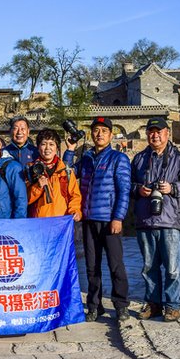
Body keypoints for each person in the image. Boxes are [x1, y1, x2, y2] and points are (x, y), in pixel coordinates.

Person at [132, 118, 180, 322]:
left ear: (167, 133)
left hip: (170, 221)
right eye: (151, 132)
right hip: (145, 220)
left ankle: (172, 305)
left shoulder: (179, 158)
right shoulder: (140, 159)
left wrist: (173, 188)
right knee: (148, 268)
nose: (155, 135)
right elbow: (127, 185)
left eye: (159, 131)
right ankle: (153, 304)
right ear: (147, 135)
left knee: (172, 268)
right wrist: (138, 190)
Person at [70, 116, 131, 322]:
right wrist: (70, 150)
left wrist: (118, 217)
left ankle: (121, 305)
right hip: (89, 220)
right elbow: (67, 174)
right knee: (91, 266)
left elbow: (124, 191)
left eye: (104, 131)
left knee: (116, 265)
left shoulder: (118, 159)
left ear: (111, 135)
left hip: (109, 220)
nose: (99, 134)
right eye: (96, 130)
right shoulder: (86, 159)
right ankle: (95, 306)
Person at [26, 128, 81, 220]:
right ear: (38, 148)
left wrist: (75, 210)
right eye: (43, 144)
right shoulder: (30, 169)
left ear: (57, 148)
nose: (47, 148)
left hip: (61, 222)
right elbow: (25, 199)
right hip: (38, 223)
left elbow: (74, 195)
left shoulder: (65, 171)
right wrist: (38, 187)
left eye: (51, 144)